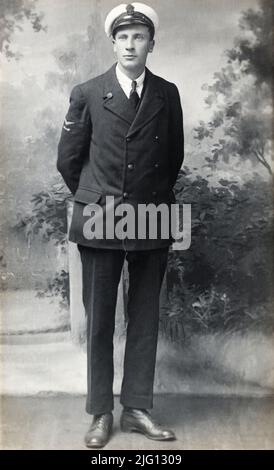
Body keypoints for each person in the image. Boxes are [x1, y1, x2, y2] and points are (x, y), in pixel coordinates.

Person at [57, 2, 184, 448]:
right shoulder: (89, 92)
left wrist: (148, 199)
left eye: (139, 37)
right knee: (100, 323)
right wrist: (99, 197)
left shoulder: (167, 94)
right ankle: (100, 413)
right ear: (113, 43)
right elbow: (69, 162)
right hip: (100, 218)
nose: (131, 45)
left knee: (146, 317)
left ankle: (137, 409)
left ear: (151, 43)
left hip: (151, 215)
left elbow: (172, 158)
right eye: (123, 37)